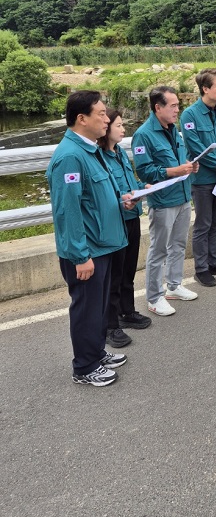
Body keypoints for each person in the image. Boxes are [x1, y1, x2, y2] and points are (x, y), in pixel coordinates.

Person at [46, 91, 131, 387]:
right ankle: (84, 367)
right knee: (86, 308)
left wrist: (121, 201)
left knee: (98, 306)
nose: (107, 119)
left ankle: (95, 352)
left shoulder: (90, 150)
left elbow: (92, 198)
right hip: (87, 250)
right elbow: (67, 212)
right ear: (82, 119)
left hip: (103, 244)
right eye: (101, 114)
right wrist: (80, 255)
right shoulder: (70, 157)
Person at [132, 86, 199, 316]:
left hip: (182, 196)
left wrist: (189, 166)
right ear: (157, 107)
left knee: (179, 244)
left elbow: (179, 161)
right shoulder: (143, 134)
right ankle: (154, 297)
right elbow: (145, 171)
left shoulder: (174, 129)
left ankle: (174, 285)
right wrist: (175, 171)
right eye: (173, 106)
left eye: (178, 106)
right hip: (163, 200)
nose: (177, 110)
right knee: (158, 250)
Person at [180, 68, 216, 285]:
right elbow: (195, 148)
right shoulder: (189, 114)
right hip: (204, 179)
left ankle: (215, 261)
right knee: (203, 223)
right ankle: (201, 267)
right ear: (205, 89)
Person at [98, 107, 152, 347]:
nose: (123, 129)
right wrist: (126, 197)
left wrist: (142, 188)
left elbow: (128, 182)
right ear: (106, 128)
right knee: (113, 275)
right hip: (116, 221)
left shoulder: (119, 152)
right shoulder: (99, 155)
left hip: (132, 218)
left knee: (128, 270)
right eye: (118, 125)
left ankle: (127, 311)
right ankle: (110, 326)